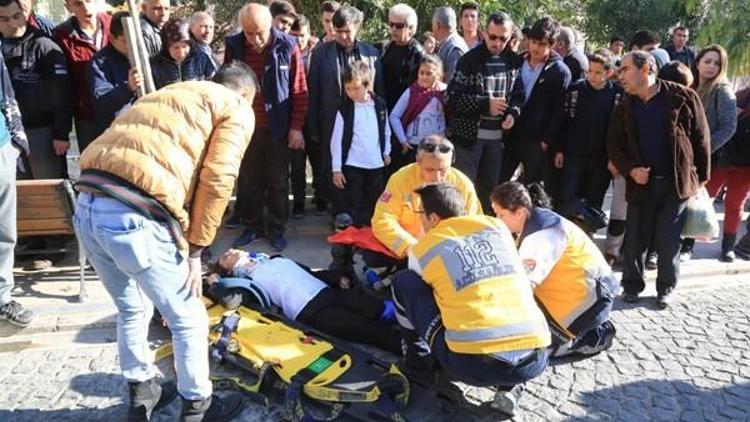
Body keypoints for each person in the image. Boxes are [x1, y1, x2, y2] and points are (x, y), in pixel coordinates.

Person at [73, 62, 257, 421]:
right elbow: (219, 178)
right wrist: (196, 250)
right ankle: (197, 407)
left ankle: (142, 392)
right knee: (188, 316)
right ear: (246, 94)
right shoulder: (235, 107)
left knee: (133, 308)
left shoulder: (169, 93)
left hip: (88, 205)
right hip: (133, 216)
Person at [391, 183, 550, 416]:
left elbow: (427, 291)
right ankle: (509, 388)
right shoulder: (497, 227)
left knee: (404, 281)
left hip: (472, 366)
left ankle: (418, 366)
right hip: (535, 358)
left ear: (433, 218)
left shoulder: (423, 250)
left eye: (420, 214)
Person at [607, 51, 710, 308]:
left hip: (675, 182)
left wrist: (700, 179)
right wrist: (631, 170)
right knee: (635, 239)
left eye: (626, 70)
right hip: (641, 184)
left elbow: (701, 138)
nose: (621, 76)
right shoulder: (625, 106)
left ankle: (665, 287)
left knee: (668, 240)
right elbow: (614, 145)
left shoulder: (682, 96)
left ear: (646, 70)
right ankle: (631, 285)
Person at [491, 182, 618, 357]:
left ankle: (593, 336)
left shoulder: (541, 236)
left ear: (520, 212)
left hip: (592, 298)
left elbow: (522, 287)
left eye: (501, 214)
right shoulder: (533, 220)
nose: (497, 220)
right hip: (576, 289)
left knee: (535, 350)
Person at [225, 3, 307, 252]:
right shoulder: (234, 45)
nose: (255, 39)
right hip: (246, 127)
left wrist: (296, 127)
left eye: (260, 32)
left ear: (270, 24)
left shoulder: (288, 45)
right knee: (249, 181)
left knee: (278, 182)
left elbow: (300, 90)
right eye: (249, 33)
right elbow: (226, 87)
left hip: (278, 128)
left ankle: (277, 228)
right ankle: (252, 226)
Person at [210, 249, 401, 353]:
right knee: (370, 330)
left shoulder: (273, 259)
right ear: (228, 271)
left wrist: (335, 278)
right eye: (224, 258)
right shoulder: (245, 281)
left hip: (327, 292)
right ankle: (419, 353)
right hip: (311, 311)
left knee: (379, 308)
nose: (228, 252)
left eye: (229, 251)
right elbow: (233, 301)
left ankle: (418, 324)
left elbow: (309, 272)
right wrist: (215, 283)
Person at [306, 5, 383, 221]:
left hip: (364, 124)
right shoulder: (321, 53)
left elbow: (380, 94)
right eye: (338, 32)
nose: (343, 36)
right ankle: (340, 217)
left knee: (361, 171)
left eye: (347, 31)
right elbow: (314, 92)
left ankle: (364, 220)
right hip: (332, 122)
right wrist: (313, 125)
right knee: (336, 168)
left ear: (358, 26)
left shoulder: (372, 55)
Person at [445, 11, 523, 213]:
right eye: (493, 37)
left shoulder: (513, 62)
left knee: (490, 193)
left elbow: (518, 95)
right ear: (484, 33)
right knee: (464, 190)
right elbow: (451, 98)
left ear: (510, 37)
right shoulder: (469, 60)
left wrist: (512, 114)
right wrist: (485, 103)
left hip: (497, 139)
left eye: (503, 38)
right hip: (469, 139)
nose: (497, 42)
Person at [371, 135, 481, 264]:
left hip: (448, 252)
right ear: (418, 161)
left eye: (442, 170)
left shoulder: (463, 184)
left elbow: (474, 224)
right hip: (409, 249)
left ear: (452, 162)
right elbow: (382, 219)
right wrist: (410, 247)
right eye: (430, 170)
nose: (437, 177)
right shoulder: (400, 179)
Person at [0, 0, 72, 179]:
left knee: (51, 192)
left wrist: (61, 133)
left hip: (43, 133)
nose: (12, 24)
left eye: (16, 16)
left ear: (25, 14)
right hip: (9, 134)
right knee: (21, 196)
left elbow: (63, 93)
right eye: (4, 19)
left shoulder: (44, 45)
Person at [502, 17, 570, 200]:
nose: (536, 48)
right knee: (501, 181)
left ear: (552, 44)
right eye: (533, 42)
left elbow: (559, 111)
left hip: (537, 141)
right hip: (512, 134)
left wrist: (546, 140)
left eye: (542, 44)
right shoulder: (517, 61)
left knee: (533, 190)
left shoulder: (559, 71)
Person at [680, 45, 737, 261]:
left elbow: (728, 127)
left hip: (711, 158)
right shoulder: (692, 85)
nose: (711, 66)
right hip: (687, 155)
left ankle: (688, 246)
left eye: (717, 63)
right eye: (708, 61)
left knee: (699, 201)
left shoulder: (722, 90)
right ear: (698, 62)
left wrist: (704, 150)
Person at [555, 51, 622, 224]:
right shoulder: (576, 89)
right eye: (590, 71)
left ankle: (587, 235)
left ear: (609, 73)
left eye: (598, 72)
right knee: (567, 198)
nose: (592, 76)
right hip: (574, 154)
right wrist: (560, 149)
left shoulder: (616, 94)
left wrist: (614, 158)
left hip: (601, 158)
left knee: (594, 201)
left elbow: (618, 130)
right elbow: (566, 120)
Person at [330, 61, 391, 227]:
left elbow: (386, 130)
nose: (352, 93)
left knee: (373, 204)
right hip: (353, 165)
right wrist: (336, 169)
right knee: (354, 205)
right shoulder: (345, 109)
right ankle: (354, 238)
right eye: (348, 89)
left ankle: (370, 238)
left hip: (375, 165)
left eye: (356, 88)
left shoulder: (379, 105)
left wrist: (386, 150)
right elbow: (336, 139)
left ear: (367, 84)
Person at [0, 47, 33, 327]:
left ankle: (1, 298)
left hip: (1, 148)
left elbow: (5, 90)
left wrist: (15, 142)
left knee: (5, 231)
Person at [53, 0, 111, 153]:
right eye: (78, 3)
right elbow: (63, 88)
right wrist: (61, 132)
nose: (86, 8)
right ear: (68, 7)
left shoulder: (115, 26)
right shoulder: (62, 37)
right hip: (87, 118)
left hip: (121, 113)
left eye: (89, 1)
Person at [289, 14, 323, 218]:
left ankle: (320, 198)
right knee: (297, 163)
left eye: (302, 35)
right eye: (294, 35)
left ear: (309, 34)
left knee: (318, 161)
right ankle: (299, 201)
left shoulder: (318, 53)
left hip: (315, 117)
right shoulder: (287, 51)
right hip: (294, 116)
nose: (298, 40)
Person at [389, 54, 446, 166]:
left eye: (429, 73)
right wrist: (403, 140)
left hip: (437, 146)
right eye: (421, 73)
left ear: (438, 75)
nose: (424, 77)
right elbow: (394, 116)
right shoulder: (412, 92)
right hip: (415, 146)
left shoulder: (444, 92)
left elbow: (450, 113)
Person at [150, 17, 216, 90]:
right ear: (166, 46)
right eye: (175, 47)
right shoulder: (154, 63)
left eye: (184, 46)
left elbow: (214, 85)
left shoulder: (201, 58)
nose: (181, 53)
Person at [726, 87, 750, 259]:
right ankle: (687, 243)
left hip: (744, 163)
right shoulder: (743, 96)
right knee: (706, 196)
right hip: (728, 158)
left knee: (736, 204)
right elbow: (727, 123)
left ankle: (730, 245)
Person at [431, 6, 468, 83]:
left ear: (438, 25)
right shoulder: (448, 44)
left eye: (432, 23)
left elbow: (453, 84)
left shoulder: (455, 49)